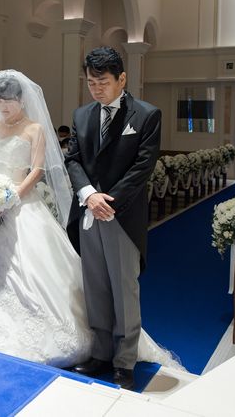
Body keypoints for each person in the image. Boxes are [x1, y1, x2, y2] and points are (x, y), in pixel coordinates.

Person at [0, 71, 175, 379]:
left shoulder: (35, 129)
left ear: (21, 100)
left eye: (7, 102)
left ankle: (117, 353)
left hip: (21, 205)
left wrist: (13, 196)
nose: (2, 108)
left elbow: (38, 169)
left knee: (36, 274)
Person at [65, 47, 161, 390]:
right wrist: (89, 195)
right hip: (88, 210)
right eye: (90, 83)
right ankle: (101, 353)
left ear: (122, 78)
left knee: (124, 289)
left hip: (122, 215)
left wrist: (109, 202)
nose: (96, 89)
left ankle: (124, 361)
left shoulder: (146, 115)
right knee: (95, 286)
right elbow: (73, 159)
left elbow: (143, 166)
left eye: (102, 82)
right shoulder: (81, 115)